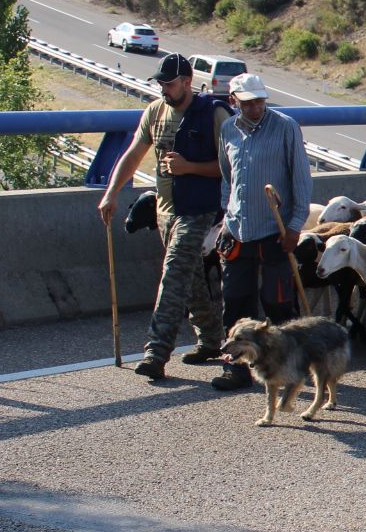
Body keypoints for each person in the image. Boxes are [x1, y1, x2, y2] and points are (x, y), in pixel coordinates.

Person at [95, 53, 228, 381]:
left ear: (186, 81)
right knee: (190, 277)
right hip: (165, 212)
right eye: (160, 84)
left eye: (169, 84)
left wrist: (190, 168)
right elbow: (133, 154)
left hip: (201, 212)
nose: (163, 89)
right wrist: (111, 193)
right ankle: (212, 339)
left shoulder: (214, 114)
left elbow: (231, 167)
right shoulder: (154, 112)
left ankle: (156, 351)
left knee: (173, 275)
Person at [212, 71, 313, 392]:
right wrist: (226, 217)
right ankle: (237, 370)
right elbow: (227, 178)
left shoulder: (285, 128)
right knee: (235, 302)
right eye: (247, 102)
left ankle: (292, 366)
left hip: (275, 229)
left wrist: (295, 226)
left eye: (259, 101)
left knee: (278, 304)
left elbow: (301, 180)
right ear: (234, 102)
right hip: (238, 229)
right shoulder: (228, 129)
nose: (255, 107)